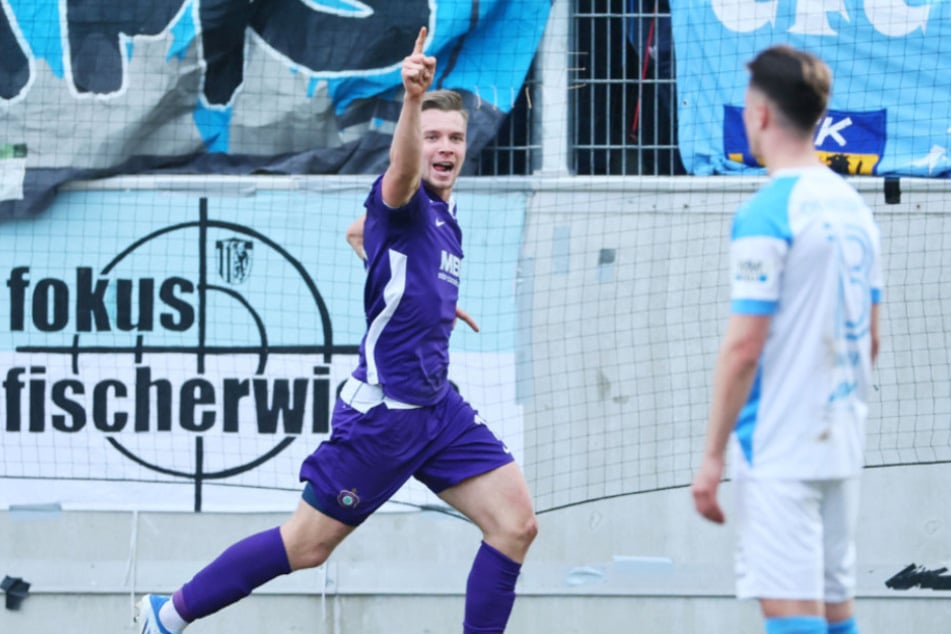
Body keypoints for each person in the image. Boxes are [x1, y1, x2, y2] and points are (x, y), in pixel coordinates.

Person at [137, 26, 538, 634]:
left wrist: (428, 301)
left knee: (515, 525)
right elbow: (393, 185)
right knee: (306, 546)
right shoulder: (401, 199)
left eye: (454, 136)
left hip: (438, 408)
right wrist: (411, 99)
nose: (444, 147)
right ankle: (166, 616)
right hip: (383, 420)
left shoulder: (446, 217)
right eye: (432, 136)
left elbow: (357, 237)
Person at [690, 45, 882, 634]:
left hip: (779, 445)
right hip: (840, 440)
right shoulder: (855, 209)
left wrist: (713, 455)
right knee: (834, 609)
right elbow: (871, 340)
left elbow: (745, 347)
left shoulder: (767, 212)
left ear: (762, 115)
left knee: (793, 615)